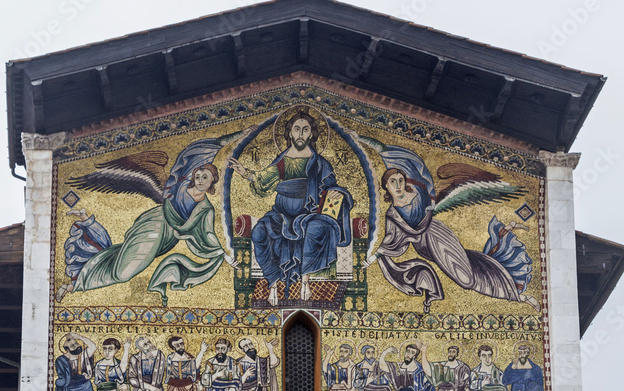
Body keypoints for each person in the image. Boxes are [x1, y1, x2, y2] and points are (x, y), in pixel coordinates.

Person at [57, 143, 236, 305]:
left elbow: (208, 234)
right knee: (123, 273)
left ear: (213, 181)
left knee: (121, 260)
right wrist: (231, 138)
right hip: (155, 225)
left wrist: (223, 254)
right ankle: (77, 284)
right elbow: (197, 153)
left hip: (168, 239)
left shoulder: (206, 209)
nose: (200, 180)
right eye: (197, 176)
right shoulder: (178, 188)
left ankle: (87, 235)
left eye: (205, 177)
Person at [369, 152, 538, 312]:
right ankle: (515, 288)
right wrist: (374, 257)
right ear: (386, 186)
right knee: (470, 269)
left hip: (437, 236)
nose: (398, 186)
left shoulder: (418, 197)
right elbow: (391, 239)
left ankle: (519, 297)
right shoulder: (392, 214)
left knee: (466, 280)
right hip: (424, 247)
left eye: (400, 180)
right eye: (393, 182)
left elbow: (429, 201)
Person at [228, 108, 353, 304]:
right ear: (290, 133)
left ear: (311, 133)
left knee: (316, 229)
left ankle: (305, 281)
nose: (300, 134)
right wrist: (245, 173)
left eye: (305, 130)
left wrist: (338, 193)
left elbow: (331, 187)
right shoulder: (283, 161)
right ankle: (273, 283)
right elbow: (263, 180)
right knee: (259, 232)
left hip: (309, 214)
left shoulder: (320, 163)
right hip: (281, 214)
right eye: (296, 129)